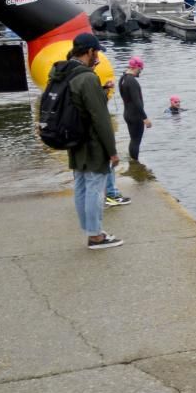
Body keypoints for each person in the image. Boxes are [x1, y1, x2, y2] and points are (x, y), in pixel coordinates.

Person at [55, 33, 123, 249]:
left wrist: (100, 92)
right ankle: (96, 237)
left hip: (72, 139)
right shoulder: (87, 78)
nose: (98, 56)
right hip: (92, 143)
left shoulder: (62, 71)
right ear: (89, 51)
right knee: (94, 188)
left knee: (82, 186)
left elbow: (79, 104)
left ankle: (90, 230)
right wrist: (112, 151)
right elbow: (100, 118)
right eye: (97, 51)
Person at [118, 55, 149, 161]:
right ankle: (135, 163)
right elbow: (137, 101)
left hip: (127, 113)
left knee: (133, 139)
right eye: (140, 69)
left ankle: (132, 161)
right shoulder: (132, 81)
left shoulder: (123, 78)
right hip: (135, 116)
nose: (140, 71)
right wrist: (145, 118)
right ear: (135, 67)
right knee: (136, 140)